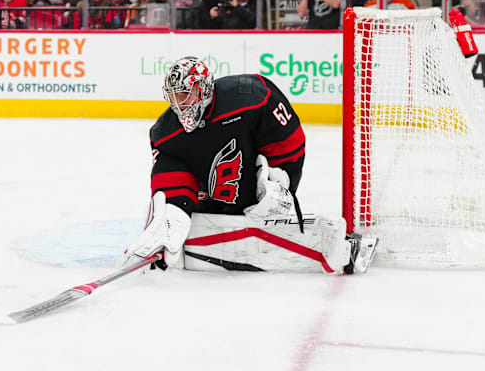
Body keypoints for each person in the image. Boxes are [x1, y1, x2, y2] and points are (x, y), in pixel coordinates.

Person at [118, 56, 378, 274]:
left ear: (205, 88)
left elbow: (289, 140)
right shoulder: (164, 133)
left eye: (186, 95)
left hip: (256, 186)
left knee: (264, 212)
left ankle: (343, 249)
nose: (180, 105)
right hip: (214, 198)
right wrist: (174, 211)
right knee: (176, 224)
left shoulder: (251, 97)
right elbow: (172, 171)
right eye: (174, 97)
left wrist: (281, 178)